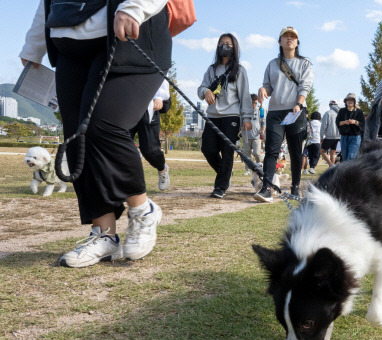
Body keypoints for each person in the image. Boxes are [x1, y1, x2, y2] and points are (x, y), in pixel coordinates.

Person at [20, 0, 172, 268]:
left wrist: (134, 7)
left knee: (103, 126)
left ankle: (142, 209)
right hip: (68, 47)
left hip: (129, 38)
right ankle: (104, 235)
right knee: (77, 141)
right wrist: (34, 45)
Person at [255, 26, 313, 202]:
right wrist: (262, 89)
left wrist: (298, 103)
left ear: (297, 42)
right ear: (279, 42)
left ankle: (295, 187)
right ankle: (266, 188)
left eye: (293, 37)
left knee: (295, 152)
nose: (289, 39)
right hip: (275, 113)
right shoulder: (272, 64)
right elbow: (268, 86)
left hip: (296, 112)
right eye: (285, 36)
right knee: (272, 151)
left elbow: (306, 85)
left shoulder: (305, 63)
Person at [198, 33, 252, 199]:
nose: (224, 46)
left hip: (231, 116)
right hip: (213, 116)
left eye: (228, 44)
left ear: (234, 47)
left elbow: (244, 95)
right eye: (221, 43)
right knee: (207, 149)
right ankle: (225, 172)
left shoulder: (240, 71)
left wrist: (247, 117)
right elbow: (201, 88)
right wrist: (206, 91)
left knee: (227, 151)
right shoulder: (211, 69)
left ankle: (220, 187)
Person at [130, 79, 171, 190]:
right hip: (125, 102)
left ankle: (162, 169)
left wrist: (159, 95)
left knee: (150, 150)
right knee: (118, 145)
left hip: (148, 104)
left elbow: (161, 68)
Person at [336, 93, 365, 162]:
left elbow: (363, 124)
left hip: (355, 137)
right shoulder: (342, 111)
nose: (350, 101)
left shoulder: (359, 112)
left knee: (351, 156)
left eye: (352, 100)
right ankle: (347, 172)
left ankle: (351, 171)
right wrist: (344, 122)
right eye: (348, 100)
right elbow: (337, 122)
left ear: (354, 101)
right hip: (344, 137)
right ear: (345, 101)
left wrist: (354, 122)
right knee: (345, 157)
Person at [242, 94, 266, 175]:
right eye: (252, 103)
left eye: (255, 103)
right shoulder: (244, 110)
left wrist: (262, 130)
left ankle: (259, 168)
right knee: (247, 155)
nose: (254, 105)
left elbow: (263, 123)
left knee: (257, 153)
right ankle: (247, 170)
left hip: (256, 136)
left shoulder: (260, 110)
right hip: (246, 136)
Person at [320, 99, 340, 167]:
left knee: (322, 151)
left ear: (329, 105)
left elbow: (323, 126)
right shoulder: (340, 113)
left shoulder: (328, 113)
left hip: (330, 135)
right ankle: (331, 168)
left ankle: (331, 165)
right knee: (333, 152)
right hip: (338, 136)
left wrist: (321, 136)